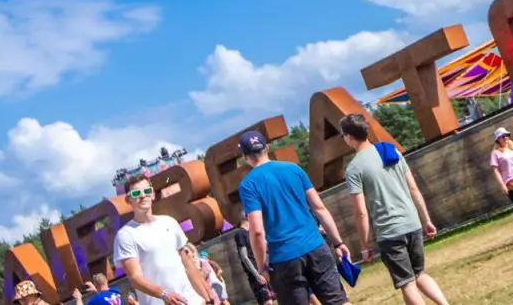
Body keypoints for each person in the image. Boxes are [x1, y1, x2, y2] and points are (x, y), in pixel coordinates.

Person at [337, 113, 450, 305]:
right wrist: (426, 220)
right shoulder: (391, 151)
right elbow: (414, 188)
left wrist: (364, 245)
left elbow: (361, 212)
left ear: (349, 136)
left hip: (390, 232)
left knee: (407, 283)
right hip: (412, 223)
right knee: (419, 274)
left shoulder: (354, 169)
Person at [237, 131, 352, 305]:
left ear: (245, 157)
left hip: (284, 259)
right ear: (267, 148)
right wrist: (338, 242)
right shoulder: (293, 169)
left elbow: (257, 231)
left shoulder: (248, 184)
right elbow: (320, 208)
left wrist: (262, 267)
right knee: (339, 302)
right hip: (315, 246)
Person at [114, 175, 214, 305]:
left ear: (153, 195)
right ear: (128, 200)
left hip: (191, 300)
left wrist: (207, 299)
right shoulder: (125, 235)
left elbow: (188, 264)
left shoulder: (169, 222)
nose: (143, 196)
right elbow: (135, 278)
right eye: (136, 193)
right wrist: (163, 293)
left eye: (147, 191)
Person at [230, 215, 276, 304]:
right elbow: (244, 257)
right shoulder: (240, 234)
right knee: (267, 302)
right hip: (256, 273)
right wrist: (257, 275)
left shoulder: (252, 232)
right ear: (246, 218)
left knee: (273, 299)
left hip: (264, 270)